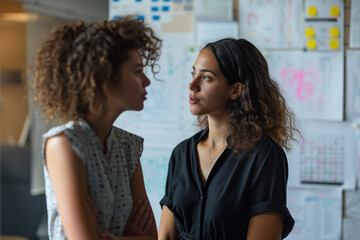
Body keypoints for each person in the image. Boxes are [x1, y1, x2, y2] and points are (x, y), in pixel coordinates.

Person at [31, 16, 162, 240]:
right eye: (137, 71)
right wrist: (128, 237)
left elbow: (151, 236)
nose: (146, 80)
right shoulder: (64, 144)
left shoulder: (128, 146)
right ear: (104, 77)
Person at [158, 38, 299, 240]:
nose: (192, 85)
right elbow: (166, 236)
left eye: (206, 77)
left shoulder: (264, 156)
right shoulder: (181, 154)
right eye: (193, 73)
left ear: (235, 90)